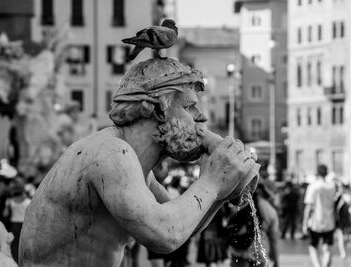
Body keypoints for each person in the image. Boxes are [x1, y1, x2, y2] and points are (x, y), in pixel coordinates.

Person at [19, 58, 259, 266]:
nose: (201, 117)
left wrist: (221, 189)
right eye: (188, 107)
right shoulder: (111, 154)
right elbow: (165, 235)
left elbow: (183, 228)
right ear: (156, 110)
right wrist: (212, 182)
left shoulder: (137, 166)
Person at [225, 182, 279, 267]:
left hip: (238, 252)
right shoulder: (271, 211)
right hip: (258, 255)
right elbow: (274, 239)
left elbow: (230, 224)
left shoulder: (241, 203)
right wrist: (276, 261)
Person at [303, 165, 336, 267]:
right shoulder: (332, 186)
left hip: (315, 222)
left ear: (317, 173)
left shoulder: (313, 186)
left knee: (313, 246)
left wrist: (304, 223)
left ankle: (318, 265)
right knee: (327, 247)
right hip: (330, 221)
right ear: (326, 173)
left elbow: (308, 206)